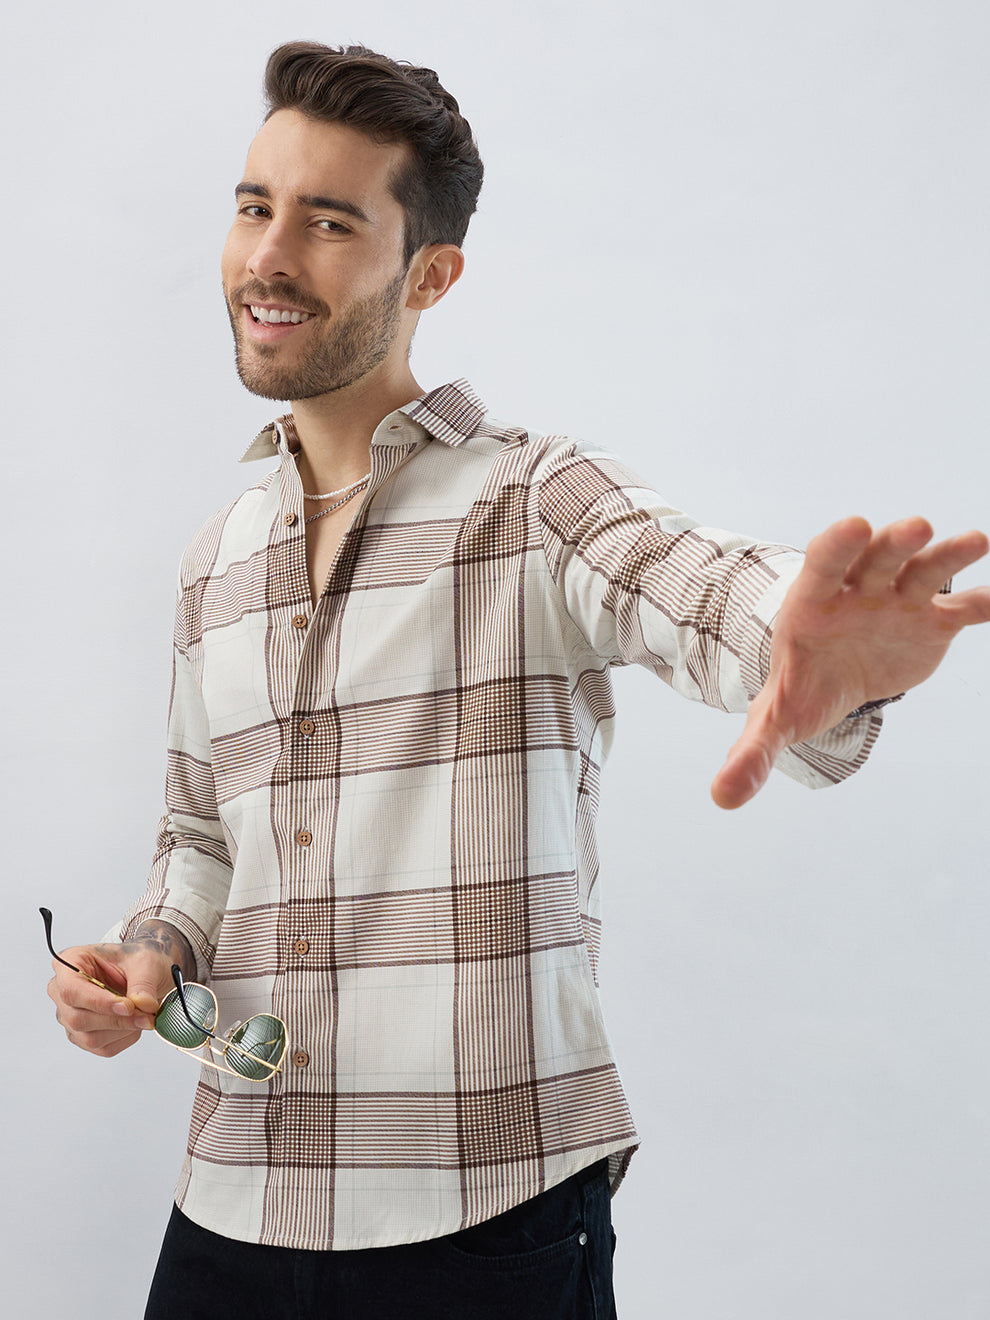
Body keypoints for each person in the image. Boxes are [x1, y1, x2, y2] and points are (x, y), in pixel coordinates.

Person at [45, 41, 990, 1320]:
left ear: (430, 273)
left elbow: (692, 581)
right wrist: (149, 954)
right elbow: (202, 835)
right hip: (232, 1206)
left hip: (481, 1218)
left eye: (329, 222)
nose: (269, 256)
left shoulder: (534, 498)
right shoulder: (217, 559)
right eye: (255, 206)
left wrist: (804, 647)